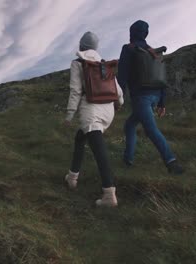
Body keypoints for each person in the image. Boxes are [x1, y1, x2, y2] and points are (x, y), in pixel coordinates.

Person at [64, 31, 125, 207]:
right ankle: (72, 177)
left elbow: (75, 91)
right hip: (108, 110)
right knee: (80, 138)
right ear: (96, 48)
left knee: (99, 150)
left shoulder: (78, 63)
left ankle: (109, 194)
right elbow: (117, 89)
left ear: (81, 46)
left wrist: (69, 115)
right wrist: (119, 103)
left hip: (90, 110)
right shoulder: (103, 64)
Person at [117, 20, 184, 174]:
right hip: (156, 95)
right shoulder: (153, 52)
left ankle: (171, 162)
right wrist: (162, 102)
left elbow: (122, 76)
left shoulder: (128, 49)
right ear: (145, 34)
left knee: (151, 130)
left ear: (131, 33)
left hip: (141, 97)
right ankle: (127, 160)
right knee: (129, 125)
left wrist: (118, 98)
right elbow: (161, 78)